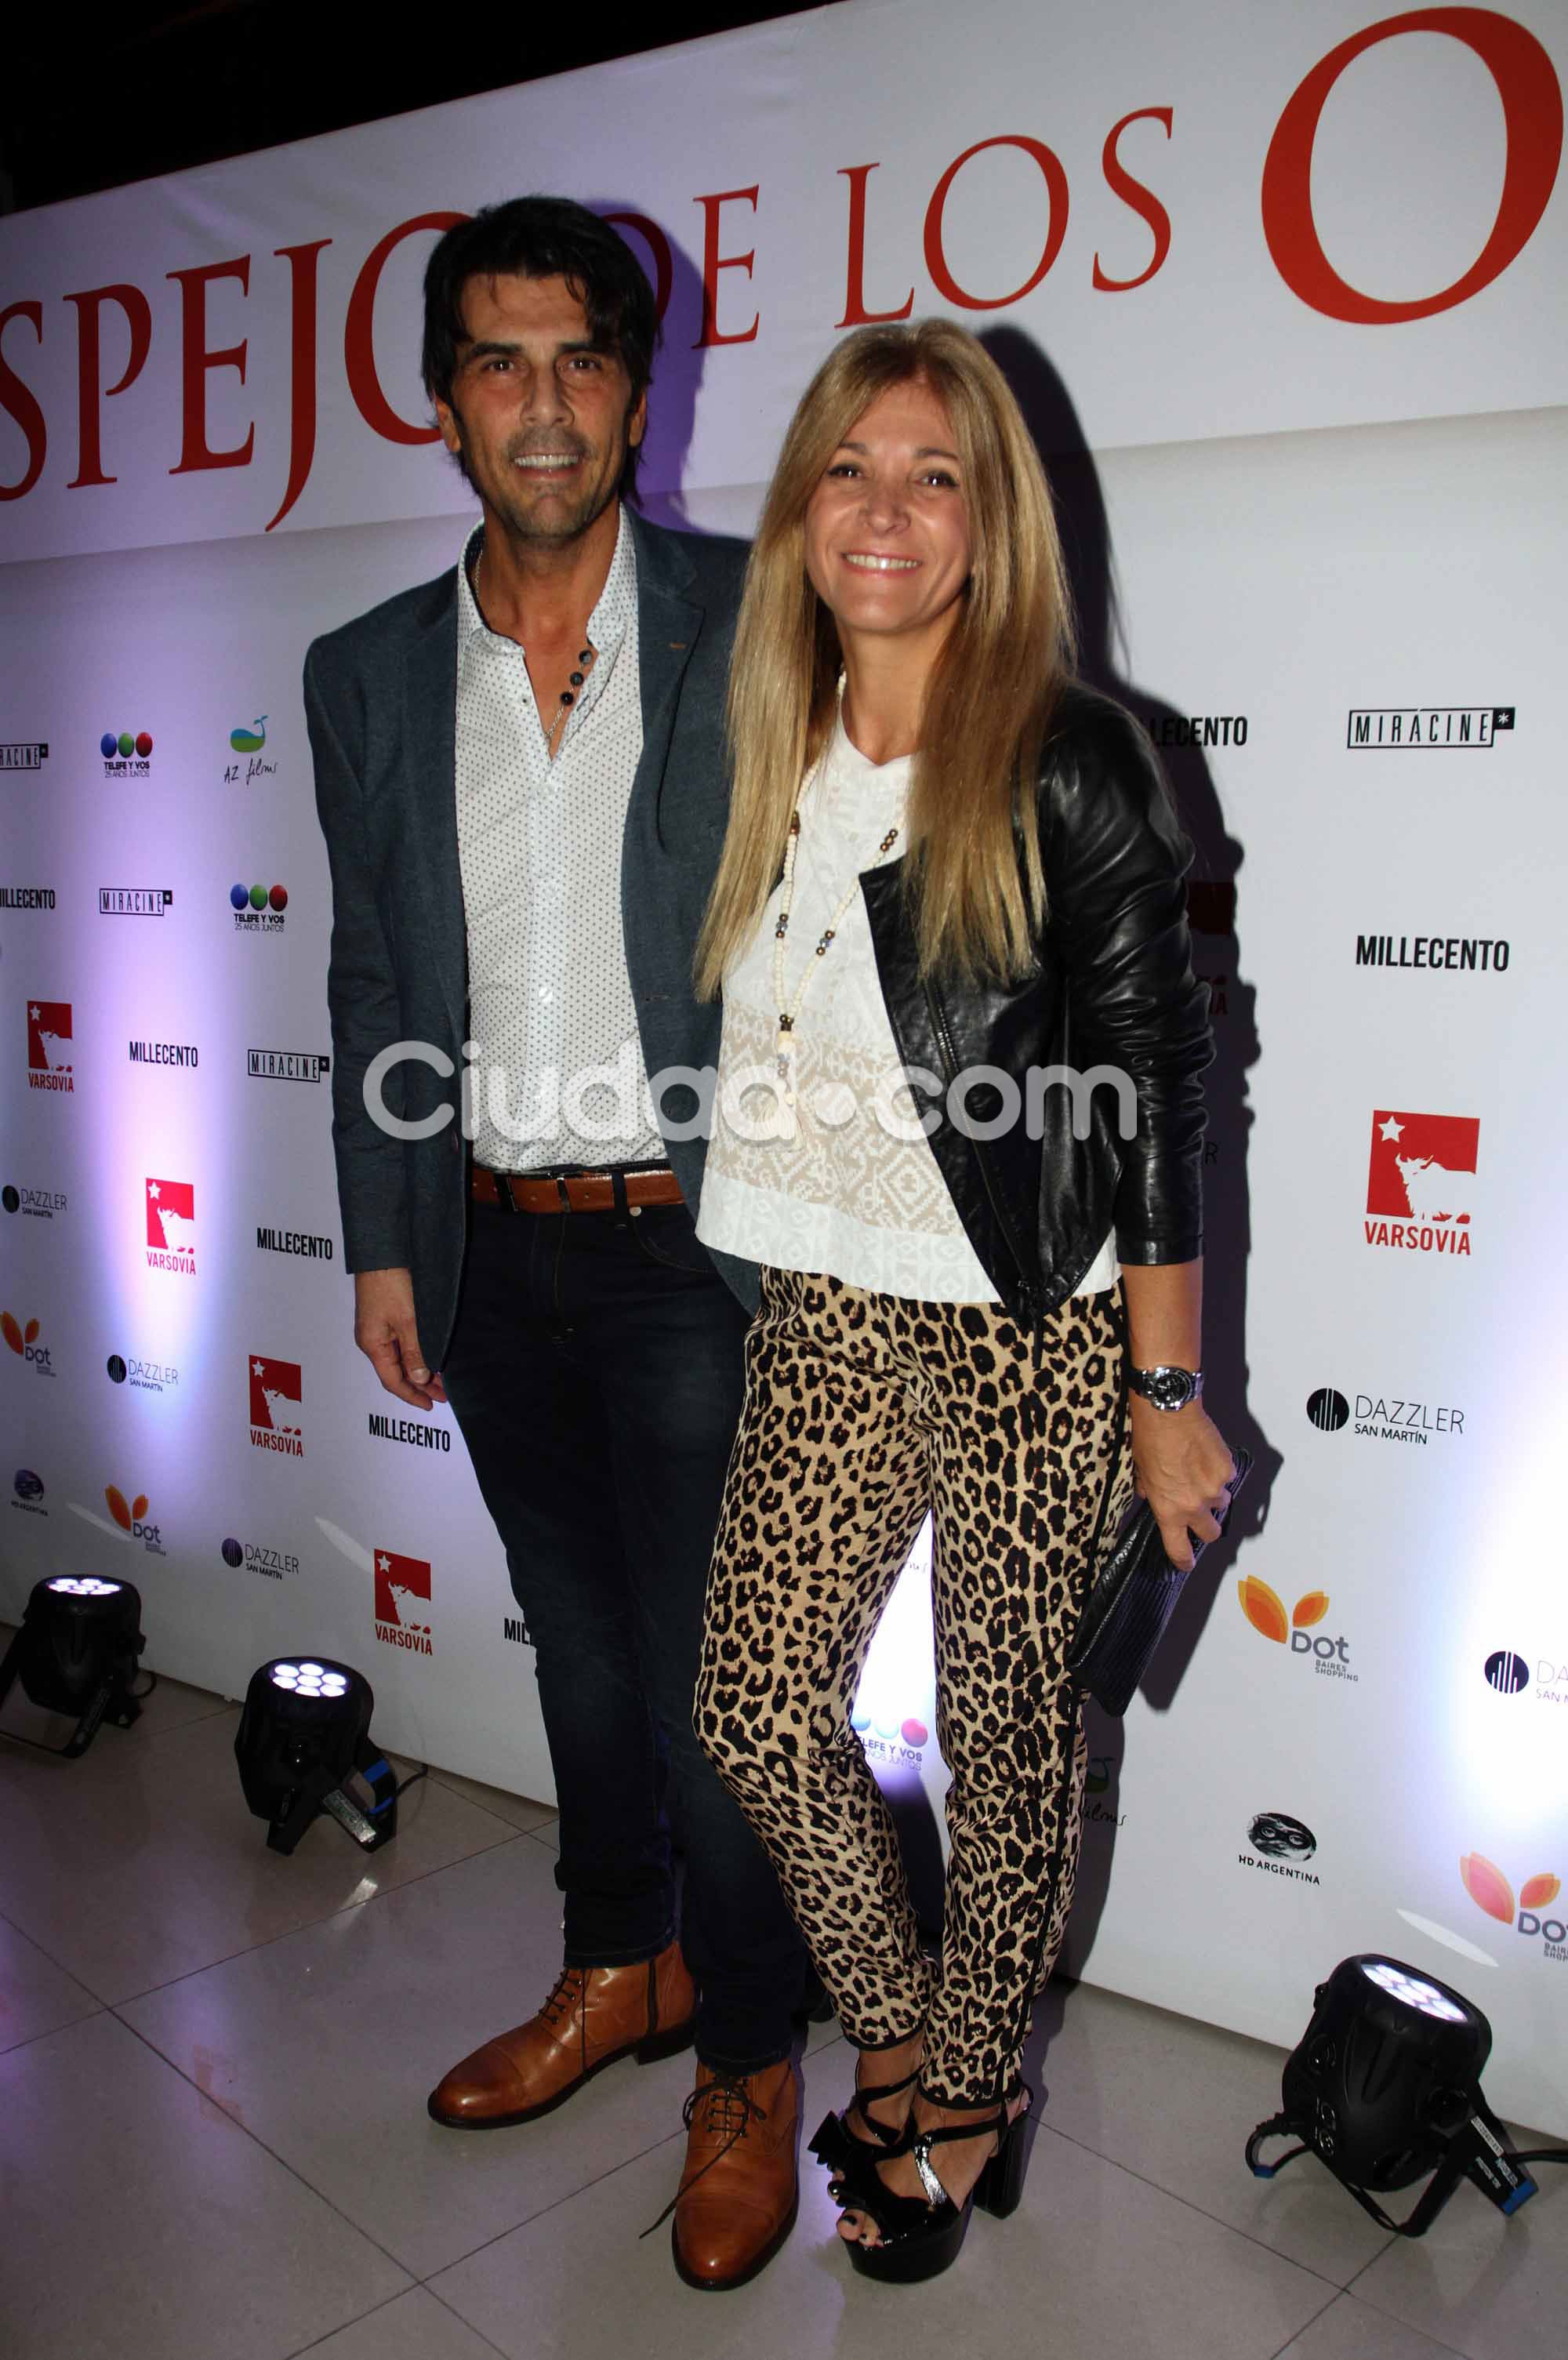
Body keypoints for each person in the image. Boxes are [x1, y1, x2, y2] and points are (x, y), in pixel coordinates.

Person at [690, 318, 1234, 2282]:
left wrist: (1161, 1383)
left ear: (991, 523)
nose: (888, 510)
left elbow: (1161, 1081)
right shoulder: (762, 726)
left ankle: (973, 2083)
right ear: (801, 509)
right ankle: (911, 2033)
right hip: (820, 1295)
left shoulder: (1073, 751)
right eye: (851, 468)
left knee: (1010, 1743)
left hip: (1027, 1316)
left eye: (935, 475)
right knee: (756, 1699)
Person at [304, 197, 809, 2293]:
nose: (540, 401)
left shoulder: (751, 614)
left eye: (579, 357)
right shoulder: (359, 675)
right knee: (589, 1666)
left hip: (699, 1252)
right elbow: (368, 972)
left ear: (637, 386)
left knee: (724, 1702)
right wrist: (382, 1236)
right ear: (441, 400)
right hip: (493, 1252)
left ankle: (755, 2060)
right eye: (497, 360)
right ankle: (628, 1968)